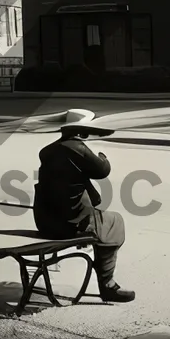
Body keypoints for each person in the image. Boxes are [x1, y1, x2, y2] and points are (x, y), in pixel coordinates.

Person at [34, 109, 134, 303]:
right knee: (115, 222)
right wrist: (103, 156)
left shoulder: (47, 151)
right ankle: (108, 284)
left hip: (46, 222)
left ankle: (104, 275)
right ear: (82, 130)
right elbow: (102, 170)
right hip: (70, 224)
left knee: (103, 220)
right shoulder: (76, 148)